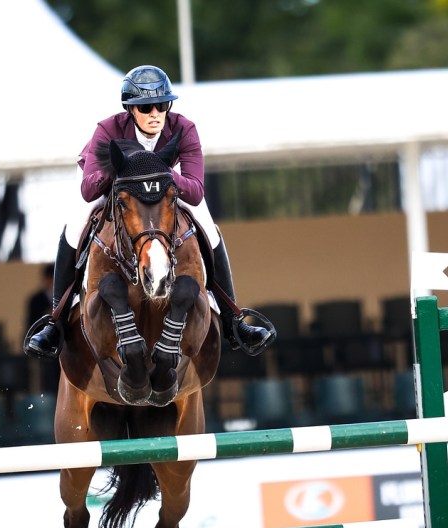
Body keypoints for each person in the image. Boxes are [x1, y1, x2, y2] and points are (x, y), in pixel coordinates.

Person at [26, 65, 273, 359]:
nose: (155, 113)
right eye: (146, 107)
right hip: (121, 190)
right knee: (74, 226)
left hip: (169, 186)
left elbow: (195, 189)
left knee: (210, 229)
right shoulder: (108, 129)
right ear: (131, 110)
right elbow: (89, 190)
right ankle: (56, 321)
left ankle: (233, 320)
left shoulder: (183, 128)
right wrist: (120, 172)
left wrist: (163, 174)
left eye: (162, 105)